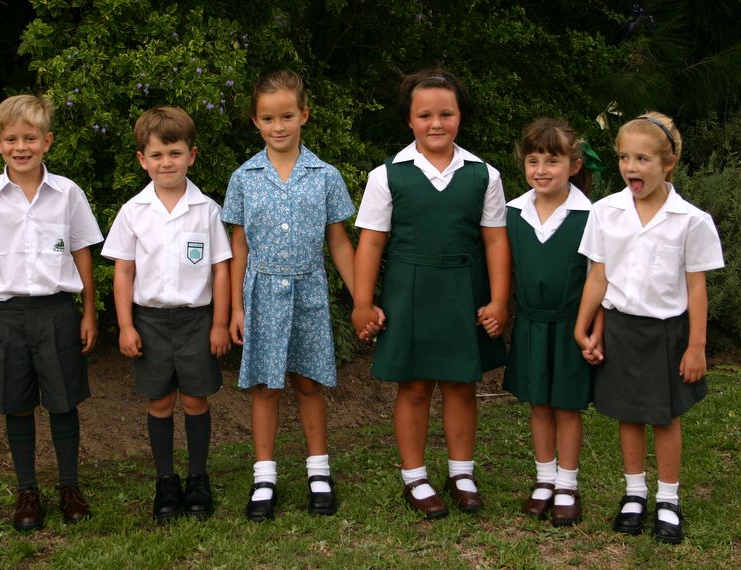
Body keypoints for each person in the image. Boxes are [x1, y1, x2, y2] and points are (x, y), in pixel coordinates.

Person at [223, 69, 380, 522]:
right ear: (255, 121)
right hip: (261, 292)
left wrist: (361, 299)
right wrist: (235, 306)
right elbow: (239, 245)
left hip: (309, 290)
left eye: (287, 116)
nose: (278, 126)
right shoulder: (244, 177)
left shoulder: (325, 175)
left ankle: (318, 472)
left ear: (304, 115)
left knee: (309, 382)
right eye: (268, 118)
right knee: (266, 385)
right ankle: (265, 477)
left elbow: (338, 242)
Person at [352, 69, 510, 519]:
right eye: (425, 115)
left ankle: (461, 473)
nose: (436, 123)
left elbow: (496, 240)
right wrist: (363, 303)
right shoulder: (387, 175)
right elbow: (371, 242)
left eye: (446, 113)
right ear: (409, 120)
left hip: (463, 289)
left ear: (460, 117)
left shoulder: (483, 174)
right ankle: (415, 477)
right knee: (416, 386)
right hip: (409, 292)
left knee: (462, 385)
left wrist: (499, 300)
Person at [0, 94, 103, 531]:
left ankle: (70, 488)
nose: (22, 147)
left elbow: (82, 252)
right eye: (13, 139)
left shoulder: (67, 193)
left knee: (62, 402)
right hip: (5, 315)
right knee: (17, 406)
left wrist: (89, 312)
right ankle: (27, 492)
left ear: (47, 141)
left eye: (31, 138)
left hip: (56, 312)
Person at [574, 112, 724, 544]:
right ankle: (634, 494)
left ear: (668, 163)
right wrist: (583, 329)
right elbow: (598, 277)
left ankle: (669, 500)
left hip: (668, 333)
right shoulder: (606, 212)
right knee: (628, 413)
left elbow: (696, 288)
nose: (631, 167)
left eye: (642, 158)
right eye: (624, 157)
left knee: (664, 417)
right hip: (620, 327)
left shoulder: (690, 220)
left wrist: (697, 346)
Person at [102, 106, 232, 522]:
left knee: (195, 399)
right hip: (150, 321)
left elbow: (221, 269)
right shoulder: (133, 211)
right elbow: (123, 272)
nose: (166, 162)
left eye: (174, 153)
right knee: (160, 401)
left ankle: (197, 478)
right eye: (157, 155)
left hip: (196, 320)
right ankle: (166, 480)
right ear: (142, 159)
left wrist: (220, 323)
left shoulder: (207, 209)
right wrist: (125, 325)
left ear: (191, 155)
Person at [503, 118, 597, 526]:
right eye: (533, 160)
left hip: (570, 325)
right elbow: (504, 271)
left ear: (574, 165)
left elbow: (601, 278)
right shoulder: (512, 213)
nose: (541, 170)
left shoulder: (591, 215)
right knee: (539, 404)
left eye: (552, 161)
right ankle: (544, 479)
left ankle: (567, 485)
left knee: (567, 406)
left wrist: (595, 330)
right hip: (530, 323)